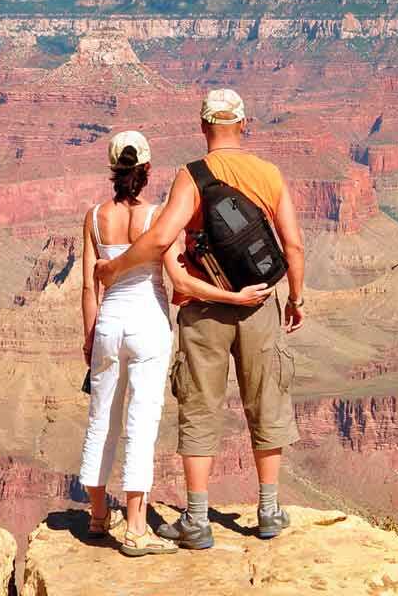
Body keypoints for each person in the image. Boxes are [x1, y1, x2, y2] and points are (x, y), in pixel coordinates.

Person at [94, 89, 306, 549]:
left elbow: (159, 239)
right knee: (265, 400)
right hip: (259, 303)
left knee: (199, 407)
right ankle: (268, 510)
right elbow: (293, 244)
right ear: (244, 124)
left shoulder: (192, 176)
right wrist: (296, 298)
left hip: (204, 308)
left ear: (204, 126)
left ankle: (196, 519)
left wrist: (112, 268)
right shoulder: (268, 174)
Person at [79, 129, 269, 557]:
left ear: (114, 169)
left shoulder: (92, 218)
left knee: (100, 419)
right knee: (141, 423)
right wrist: (234, 297)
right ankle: (134, 529)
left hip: (109, 322)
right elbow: (181, 281)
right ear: (146, 171)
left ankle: (96, 517)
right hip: (147, 322)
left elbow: (89, 288)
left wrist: (90, 338)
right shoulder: (157, 216)